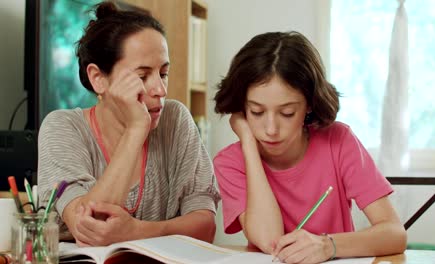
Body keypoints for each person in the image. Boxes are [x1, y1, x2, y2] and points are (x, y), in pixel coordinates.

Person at [213, 31, 407, 264]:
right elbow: (270, 239)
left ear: (309, 105)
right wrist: (247, 141)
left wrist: (328, 246)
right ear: (242, 108)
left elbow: (395, 233)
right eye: (257, 112)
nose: (271, 129)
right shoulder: (231, 162)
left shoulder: (338, 141)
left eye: (287, 113)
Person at [37, 2, 220, 246]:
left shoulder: (175, 120)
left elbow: (205, 227)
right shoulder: (62, 127)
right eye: (142, 76)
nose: (161, 89)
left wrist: (137, 231)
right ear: (98, 78)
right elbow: (92, 228)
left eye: (163, 73)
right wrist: (135, 129)